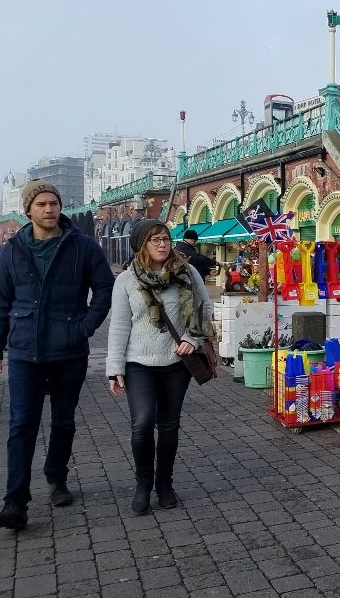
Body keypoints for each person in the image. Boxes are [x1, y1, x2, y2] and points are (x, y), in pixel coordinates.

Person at [0, 180, 115, 530]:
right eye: (41, 204)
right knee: (21, 424)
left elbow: (104, 289)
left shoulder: (83, 246)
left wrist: (84, 327)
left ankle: (57, 477)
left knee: (63, 420)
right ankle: (15, 502)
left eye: (54, 203)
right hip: (25, 349)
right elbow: (2, 302)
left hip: (69, 349)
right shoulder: (13, 251)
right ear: (29, 209)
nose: (49, 209)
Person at [106, 219, 215, 514]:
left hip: (177, 363)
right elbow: (118, 326)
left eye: (165, 238)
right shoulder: (127, 280)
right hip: (138, 362)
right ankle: (143, 484)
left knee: (168, 426)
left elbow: (205, 309)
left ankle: (164, 484)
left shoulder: (188, 272)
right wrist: (114, 366)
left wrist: (192, 338)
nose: (162, 244)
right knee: (142, 423)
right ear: (141, 245)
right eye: (154, 240)